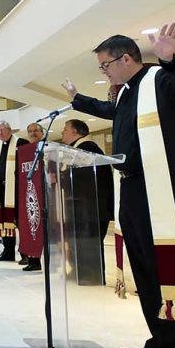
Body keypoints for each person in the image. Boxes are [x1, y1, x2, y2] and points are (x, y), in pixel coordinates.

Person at [64, 23, 175, 348]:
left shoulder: (160, 80)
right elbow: (108, 110)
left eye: (105, 65)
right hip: (134, 189)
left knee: (163, 272)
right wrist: (77, 99)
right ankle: (158, 340)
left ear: (125, 58)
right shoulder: (129, 92)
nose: (105, 72)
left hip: (163, 193)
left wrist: (170, 59)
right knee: (144, 272)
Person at [60, 119, 113, 285]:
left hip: (90, 208)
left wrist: (62, 178)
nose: (62, 132)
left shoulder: (87, 148)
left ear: (75, 132)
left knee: (88, 241)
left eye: (65, 129)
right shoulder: (79, 149)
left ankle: (90, 275)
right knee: (79, 241)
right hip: (82, 207)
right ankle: (79, 271)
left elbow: (85, 180)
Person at [0, 121, 29, 262]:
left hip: (17, 190)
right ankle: (8, 251)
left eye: (2, 130)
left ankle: (26, 254)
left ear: (10, 130)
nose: (0, 133)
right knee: (4, 221)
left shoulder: (21, 142)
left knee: (20, 222)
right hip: (1, 189)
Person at [20, 122, 46, 272]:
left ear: (42, 132)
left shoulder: (47, 147)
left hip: (46, 195)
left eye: (36, 130)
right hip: (29, 195)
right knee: (30, 226)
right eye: (30, 131)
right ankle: (34, 261)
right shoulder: (25, 151)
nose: (33, 133)